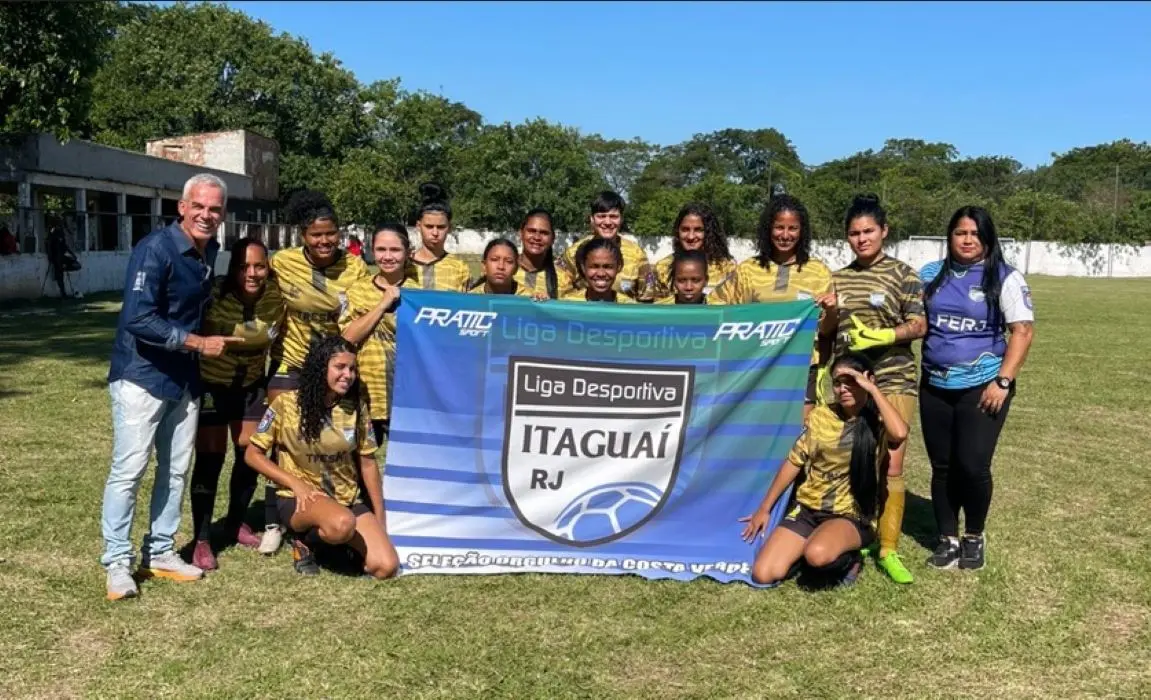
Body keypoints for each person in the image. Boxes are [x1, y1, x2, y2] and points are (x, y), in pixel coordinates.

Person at [101, 173, 242, 601]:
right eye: (198, 206)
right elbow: (138, 319)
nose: (206, 215)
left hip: (184, 380)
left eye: (215, 209)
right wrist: (198, 342)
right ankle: (117, 563)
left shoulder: (209, 249)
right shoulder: (155, 249)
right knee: (130, 470)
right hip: (141, 377)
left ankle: (160, 551)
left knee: (176, 469)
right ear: (181, 207)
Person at [919, 206, 1035, 570]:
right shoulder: (929, 275)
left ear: (987, 238)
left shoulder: (1004, 277)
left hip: (983, 386)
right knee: (942, 466)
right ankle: (948, 539)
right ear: (949, 237)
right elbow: (910, 319)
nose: (967, 240)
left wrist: (1003, 381)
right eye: (960, 233)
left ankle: (974, 536)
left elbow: (1022, 331)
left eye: (975, 234)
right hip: (934, 384)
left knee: (972, 465)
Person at [741, 353, 909, 587]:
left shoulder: (878, 421)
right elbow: (794, 461)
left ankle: (851, 560)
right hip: (809, 508)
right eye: (837, 383)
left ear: (867, 380)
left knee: (817, 554)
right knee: (764, 573)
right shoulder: (821, 415)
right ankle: (807, 548)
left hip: (850, 514)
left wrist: (872, 389)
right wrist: (764, 508)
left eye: (850, 381)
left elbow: (900, 433)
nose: (843, 389)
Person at [263, 189, 369, 554]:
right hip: (291, 365)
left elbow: (359, 317)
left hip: (334, 369)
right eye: (316, 235)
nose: (324, 241)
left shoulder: (354, 267)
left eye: (331, 233)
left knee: (338, 441)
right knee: (279, 442)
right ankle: (273, 520)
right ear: (302, 236)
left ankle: (342, 507)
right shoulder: (283, 263)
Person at [245, 336, 400, 579]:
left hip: (345, 499)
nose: (348, 375)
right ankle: (303, 540)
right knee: (342, 525)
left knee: (386, 567)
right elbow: (252, 455)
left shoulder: (356, 408)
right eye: (340, 367)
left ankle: (333, 542)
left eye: (352, 369)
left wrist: (380, 518)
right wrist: (296, 484)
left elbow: (368, 465)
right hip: (301, 499)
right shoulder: (286, 404)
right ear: (320, 367)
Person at [832, 194, 927, 585]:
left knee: (892, 463)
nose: (861, 239)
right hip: (850, 380)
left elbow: (919, 325)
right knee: (852, 460)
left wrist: (886, 334)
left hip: (893, 378)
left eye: (868, 231)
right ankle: (860, 533)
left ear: (884, 231)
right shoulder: (837, 277)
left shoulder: (904, 274)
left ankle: (888, 549)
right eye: (854, 233)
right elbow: (828, 330)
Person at [188, 237, 285, 571]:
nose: (252, 273)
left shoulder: (277, 297)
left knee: (250, 453)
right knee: (210, 458)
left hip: (252, 386)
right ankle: (201, 539)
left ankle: (235, 521)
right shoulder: (215, 295)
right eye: (244, 266)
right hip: (213, 384)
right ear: (233, 268)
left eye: (259, 265)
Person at [711, 194, 839, 414]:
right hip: (755, 366)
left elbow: (826, 330)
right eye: (779, 227)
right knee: (757, 431)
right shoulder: (748, 270)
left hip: (800, 368)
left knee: (797, 438)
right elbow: (716, 306)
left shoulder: (818, 272)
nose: (786, 235)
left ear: (802, 231)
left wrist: (831, 311)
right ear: (768, 228)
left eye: (793, 228)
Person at [339, 223, 412, 448]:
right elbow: (348, 337)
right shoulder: (358, 290)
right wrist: (382, 305)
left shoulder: (419, 293)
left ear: (407, 252)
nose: (387, 256)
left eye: (395, 250)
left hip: (407, 398)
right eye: (381, 250)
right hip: (366, 394)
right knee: (362, 468)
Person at [560, 191, 655, 302]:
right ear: (592, 219)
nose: (608, 222)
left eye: (613, 216)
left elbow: (647, 298)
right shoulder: (573, 253)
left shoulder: (636, 254)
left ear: (621, 219)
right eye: (601, 216)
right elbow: (561, 295)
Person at [651, 203, 737, 299]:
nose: (691, 236)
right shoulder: (662, 268)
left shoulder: (728, 268)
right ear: (677, 231)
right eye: (685, 229)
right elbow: (658, 308)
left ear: (710, 233)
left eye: (698, 230)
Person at [409, 183, 471, 291]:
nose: (435, 232)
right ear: (418, 226)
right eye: (429, 226)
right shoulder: (405, 266)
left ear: (449, 228)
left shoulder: (459, 268)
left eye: (441, 227)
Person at [559, 237, 637, 304]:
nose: (601, 274)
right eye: (594, 267)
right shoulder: (568, 305)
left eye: (608, 267)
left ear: (619, 267)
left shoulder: (630, 308)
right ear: (583, 267)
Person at [515, 208, 572, 298]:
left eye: (544, 233)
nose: (537, 237)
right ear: (521, 233)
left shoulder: (562, 279)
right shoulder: (506, 270)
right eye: (531, 231)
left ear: (553, 238)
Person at [469, 238, 537, 297]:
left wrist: (544, 303)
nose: (501, 267)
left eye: (509, 261)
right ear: (484, 265)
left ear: (516, 269)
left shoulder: (529, 298)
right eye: (494, 259)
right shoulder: (471, 298)